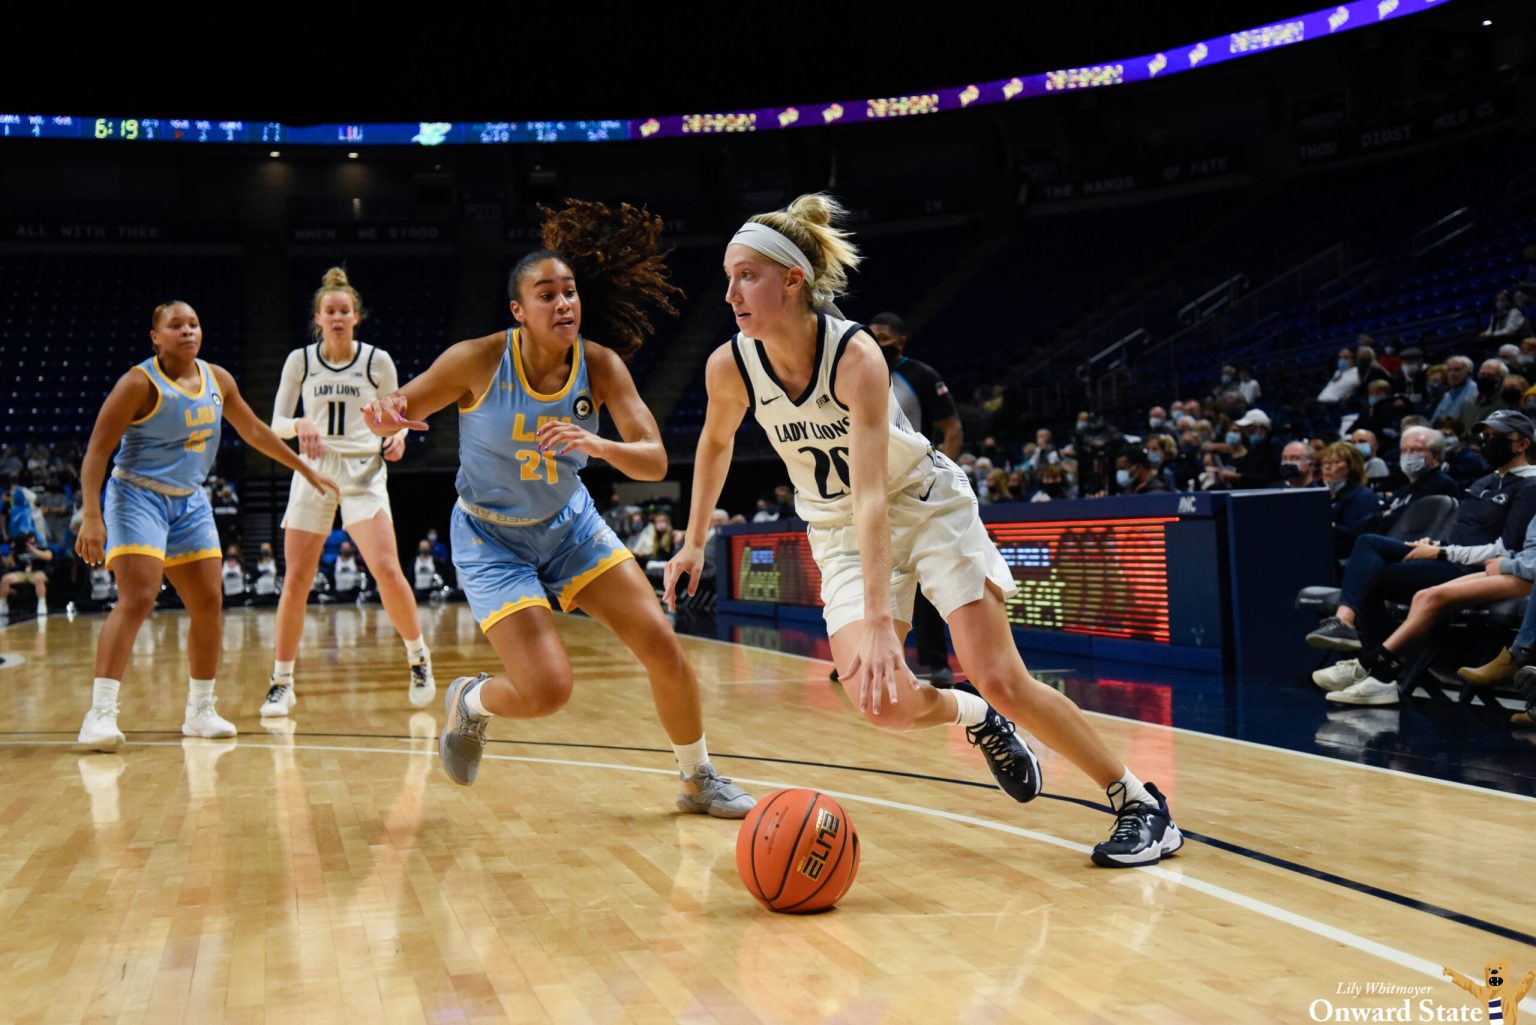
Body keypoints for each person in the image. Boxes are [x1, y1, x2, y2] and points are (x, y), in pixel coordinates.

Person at [665, 193, 1181, 867]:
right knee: (882, 704)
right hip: (838, 530)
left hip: (923, 506)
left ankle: (1139, 801)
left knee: (1000, 674)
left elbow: (874, 493)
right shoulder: (730, 364)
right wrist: (694, 538)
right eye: (729, 276)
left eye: (748, 275)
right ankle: (975, 719)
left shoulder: (855, 357)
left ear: (793, 279)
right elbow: (713, 444)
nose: (730, 291)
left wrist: (883, 616)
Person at [363, 198, 754, 818]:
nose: (564, 303)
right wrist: (389, 419)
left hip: (571, 527)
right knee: (547, 690)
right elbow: (401, 405)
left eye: (569, 292)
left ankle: (697, 778)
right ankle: (471, 701)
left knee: (662, 645)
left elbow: (653, 460)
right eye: (546, 294)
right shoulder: (479, 359)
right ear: (518, 311)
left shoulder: (599, 365)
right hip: (491, 538)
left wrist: (597, 443)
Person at [74, 300, 339, 752]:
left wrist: (305, 469)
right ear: (155, 337)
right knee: (138, 597)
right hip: (137, 494)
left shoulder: (219, 380)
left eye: (194, 323)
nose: (187, 331)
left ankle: (200, 710)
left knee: (209, 601)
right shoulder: (137, 383)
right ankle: (99, 714)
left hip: (191, 500)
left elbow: (255, 431)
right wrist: (93, 515)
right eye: (175, 325)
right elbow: (97, 451)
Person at [263, 267, 435, 717]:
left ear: (356, 316)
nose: (337, 317)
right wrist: (299, 423)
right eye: (329, 311)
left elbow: (394, 416)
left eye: (344, 311)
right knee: (296, 579)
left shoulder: (377, 361)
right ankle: (281, 681)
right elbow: (276, 424)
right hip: (314, 470)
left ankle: (418, 659)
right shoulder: (300, 361)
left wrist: (397, 438)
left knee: (386, 568)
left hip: (363, 468)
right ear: (317, 318)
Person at [1307, 411, 1536, 705]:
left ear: (1522, 444)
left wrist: (1442, 551)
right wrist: (1437, 544)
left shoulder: (1529, 486)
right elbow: (1467, 534)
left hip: (1483, 565)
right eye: (1486, 436)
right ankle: (1345, 625)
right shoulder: (1484, 482)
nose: (1487, 442)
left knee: (1384, 581)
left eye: (1497, 437)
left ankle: (1373, 670)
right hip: (1461, 556)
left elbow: (1507, 548)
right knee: (1368, 547)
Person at [868, 311, 963, 685]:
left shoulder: (921, 375)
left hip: (915, 486)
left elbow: (951, 428)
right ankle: (863, 651)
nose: (876, 341)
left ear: (901, 340)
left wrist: (943, 476)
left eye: (884, 336)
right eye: (871, 335)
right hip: (869, 484)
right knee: (867, 573)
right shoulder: (856, 371)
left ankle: (935, 660)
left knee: (922, 577)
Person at [0, 531, 53, 617]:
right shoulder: (19, 550)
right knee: (5, 579)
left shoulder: (41, 547)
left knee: (38, 579)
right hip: (23, 573)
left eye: (31, 538)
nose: (29, 541)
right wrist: (12, 551)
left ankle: (42, 604)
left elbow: (48, 556)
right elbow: (9, 565)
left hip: (38, 572)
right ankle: (2, 604)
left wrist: (33, 550)